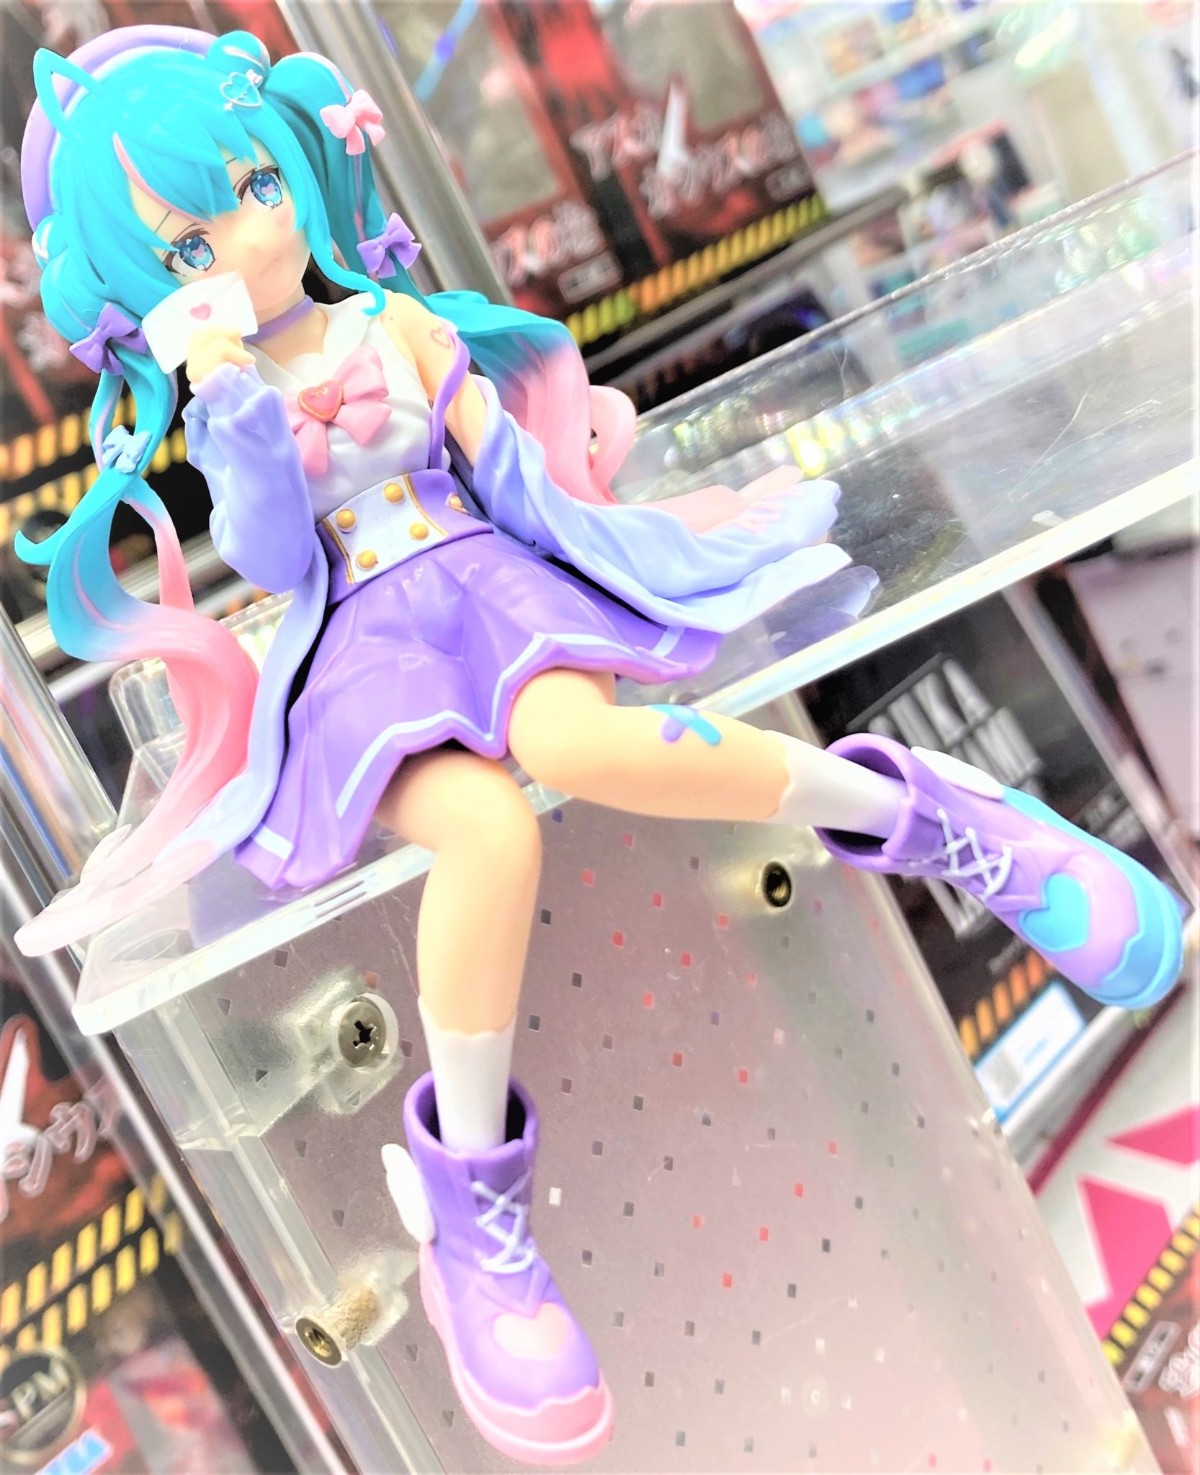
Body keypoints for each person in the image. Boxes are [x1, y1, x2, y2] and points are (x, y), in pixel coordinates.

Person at [17, 27, 1184, 1465]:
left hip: (485, 586)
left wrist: (627, 536)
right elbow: (265, 550)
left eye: (257, 186)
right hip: (361, 652)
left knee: (582, 744)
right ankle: (470, 1217)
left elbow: (508, 476)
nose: (249, 240)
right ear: (139, 293)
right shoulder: (226, 404)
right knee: (487, 832)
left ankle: (943, 819)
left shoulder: (398, 327)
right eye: (188, 245)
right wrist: (233, 400)